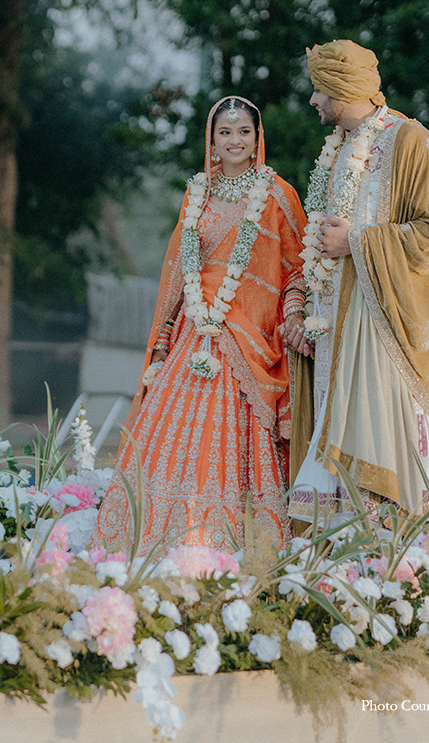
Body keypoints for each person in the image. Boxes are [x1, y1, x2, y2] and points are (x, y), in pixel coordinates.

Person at [93, 96, 308, 554]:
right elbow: (177, 270)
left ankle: (232, 541)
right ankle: (156, 538)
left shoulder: (276, 195)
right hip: (195, 332)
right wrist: (164, 338)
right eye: (225, 133)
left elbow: (298, 268)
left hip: (248, 337)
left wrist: (293, 312)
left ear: (257, 139)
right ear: (211, 140)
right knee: (169, 434)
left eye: (244, 132)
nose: (235, 140)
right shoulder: (197, 193)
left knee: (236, 439)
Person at [285, 40, 429, 528]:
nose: (314, 101)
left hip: (378, 327)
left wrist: (358, 242)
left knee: (375, 439)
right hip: (331, 327)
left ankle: (383, 551)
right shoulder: (338, 147)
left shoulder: (410, 141)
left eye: (319, 90)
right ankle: (333, 554)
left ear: (341, 88)